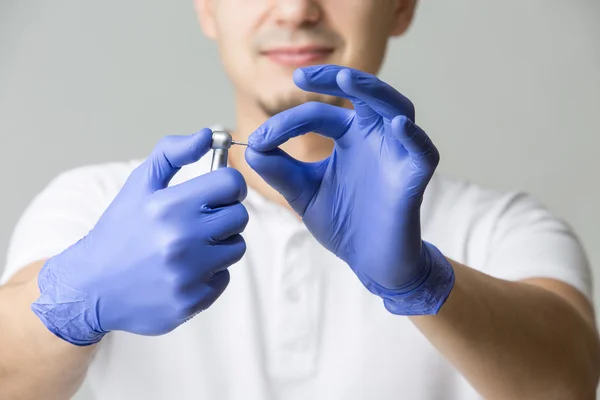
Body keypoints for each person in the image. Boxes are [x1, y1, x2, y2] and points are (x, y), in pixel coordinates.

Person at [0, 1, 598, 399]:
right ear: (206, 6)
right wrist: (74, 302)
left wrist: (421, 282)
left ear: (402, 6)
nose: (295, 9)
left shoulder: (501, 229)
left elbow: (571, 381)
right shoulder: (97, 205)